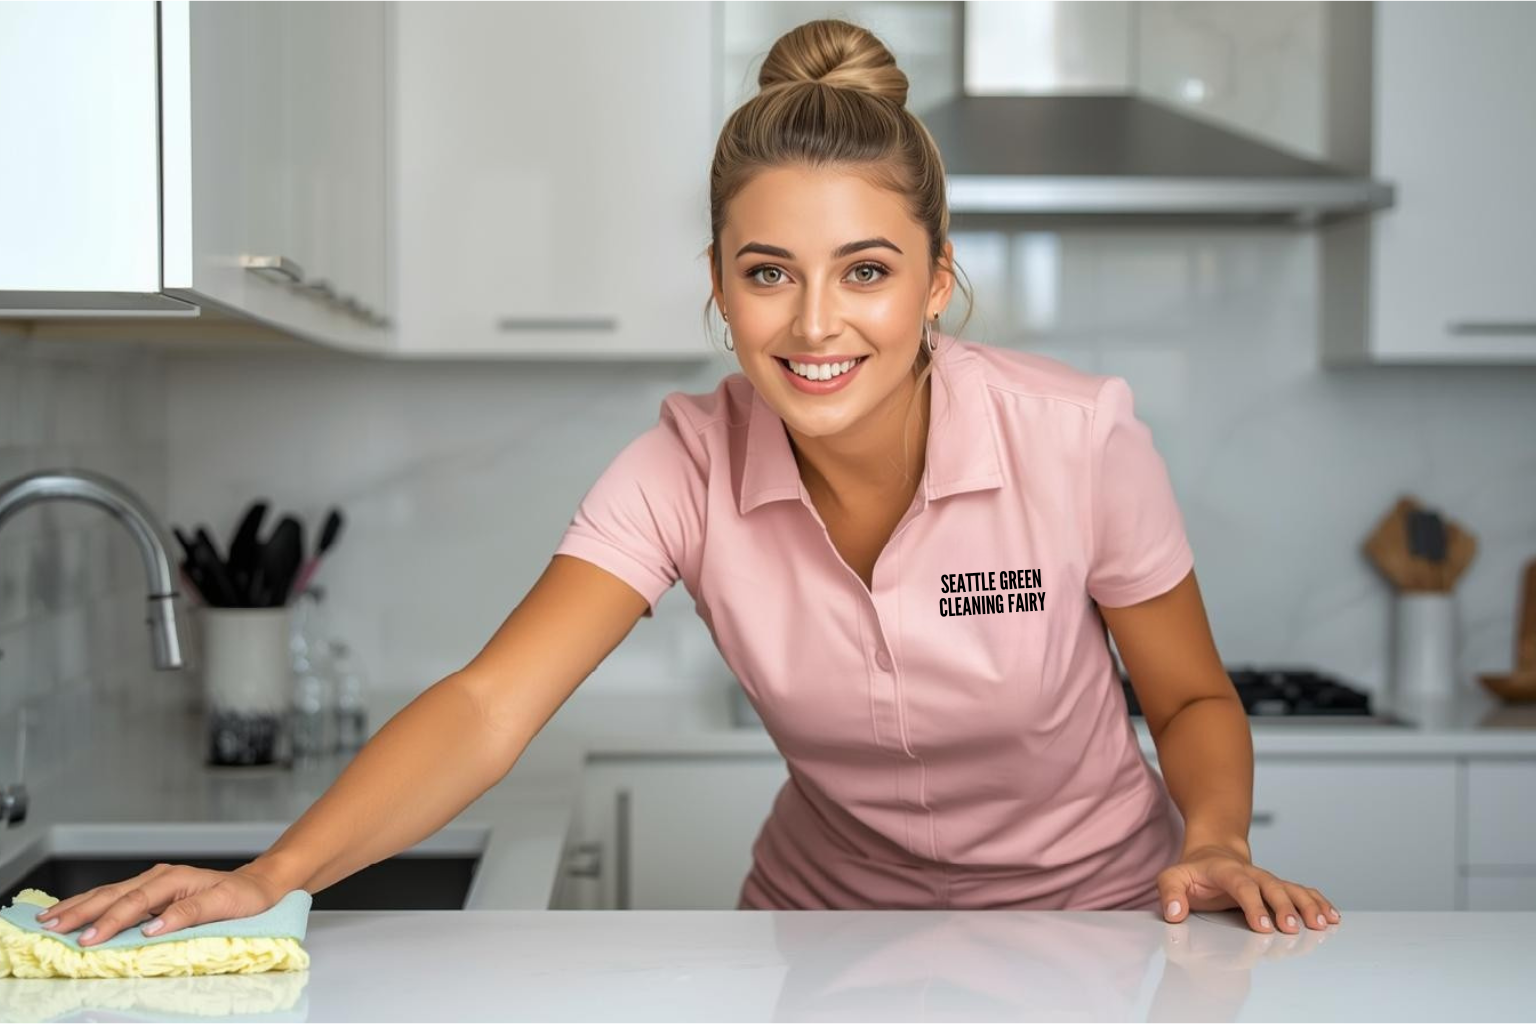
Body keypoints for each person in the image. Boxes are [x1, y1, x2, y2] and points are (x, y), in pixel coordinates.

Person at [36, 18, 1340, 947]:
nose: (817, 324)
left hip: (1100, 926)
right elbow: (495, 702)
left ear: (937, 281)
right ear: (719, 285)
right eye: (769, 271)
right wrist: (275, 875)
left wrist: (1213, 837)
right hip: (826, 938)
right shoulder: (683, 462)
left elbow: (1187, 693)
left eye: (867, 270)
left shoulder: (1078, 435)